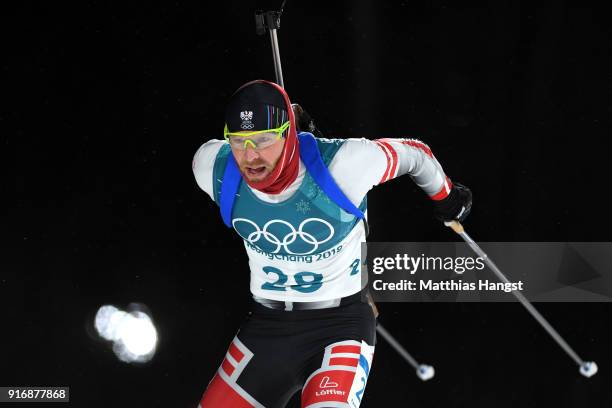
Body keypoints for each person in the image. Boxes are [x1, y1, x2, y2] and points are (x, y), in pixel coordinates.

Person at [192, 79, 472, 408]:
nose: (250, 156)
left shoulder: (344, 165)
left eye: (264, 139)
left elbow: (414, 154)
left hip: (340, 327)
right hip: (267, 329)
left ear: (288, 133)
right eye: (239, 142)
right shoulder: (212, 168)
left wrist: (447, 196)